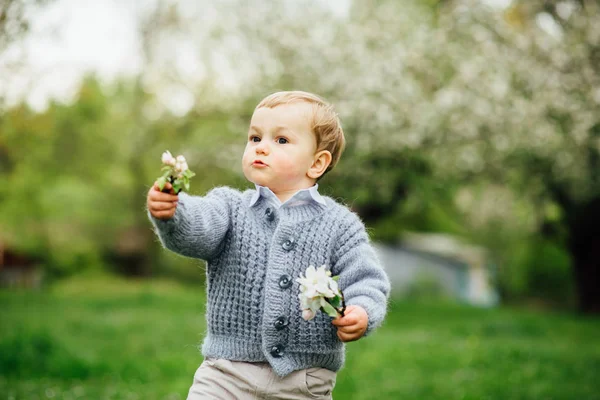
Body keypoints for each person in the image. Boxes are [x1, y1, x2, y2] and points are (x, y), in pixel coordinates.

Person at [147, 91, 391, 400]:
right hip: (227, 374)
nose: (261, 147)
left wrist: (361, 311)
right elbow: (199, 229)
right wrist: (173, 211)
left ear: (317, 163)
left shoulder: (340, 225)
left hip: (305, 380)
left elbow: (367, 278)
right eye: (254, 137)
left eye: (281, 140)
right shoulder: (230, 207)